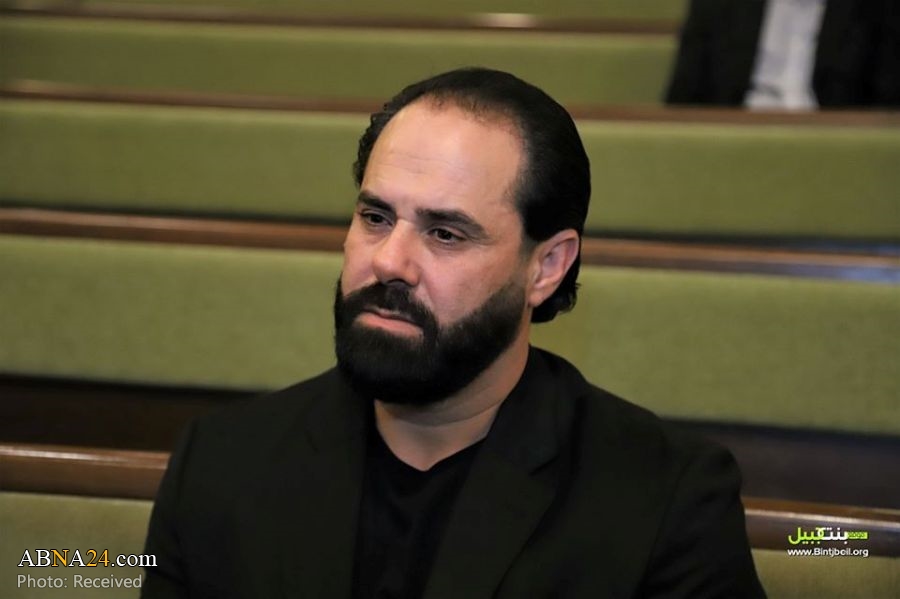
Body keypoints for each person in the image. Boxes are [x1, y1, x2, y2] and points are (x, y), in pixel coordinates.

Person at [142, 67, 765, 598]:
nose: (389, 261)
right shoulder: (220, 464)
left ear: (546, 266)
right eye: (375, 217)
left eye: (445, 233)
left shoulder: (666, 500)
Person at [666, 0, 900, 109]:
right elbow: (683, 101)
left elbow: (887, 105)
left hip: (836, 149)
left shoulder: (876, 8)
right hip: (737, 140)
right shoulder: (719, 5)